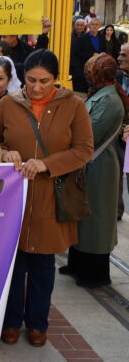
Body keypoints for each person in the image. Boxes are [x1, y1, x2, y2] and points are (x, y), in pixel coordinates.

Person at [0, 49, 93, 347]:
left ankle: (37, 323)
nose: (36, 87)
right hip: (12, 197)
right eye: (30, 80)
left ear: (56, 79)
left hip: (51, 194)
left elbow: (84, 149)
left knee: (43, 263)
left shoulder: (74, 105)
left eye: (44, 81)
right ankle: (10, 322)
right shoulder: (8, 103)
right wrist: (3, 152)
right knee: (13, 262)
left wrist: (46, 164)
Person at [60, 54, 127, 288]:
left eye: (90, 71)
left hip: (99, 167)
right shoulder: (100, 94)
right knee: (82, 216)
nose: (86, 74)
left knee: (96, 221)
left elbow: (90, 134)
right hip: (90, 165)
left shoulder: (108, 100)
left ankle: (95, 274)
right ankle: (78, 264)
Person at [73, 18, 105, 93]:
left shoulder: (102, 37)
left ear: (99, 26)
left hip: (97, 71)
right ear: (89, 26)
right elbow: (76, 53)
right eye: (92, 24)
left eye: (96, 24)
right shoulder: (82, 38)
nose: (94, 26)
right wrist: (91, 55)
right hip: (84, 70)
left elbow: (104, 50)